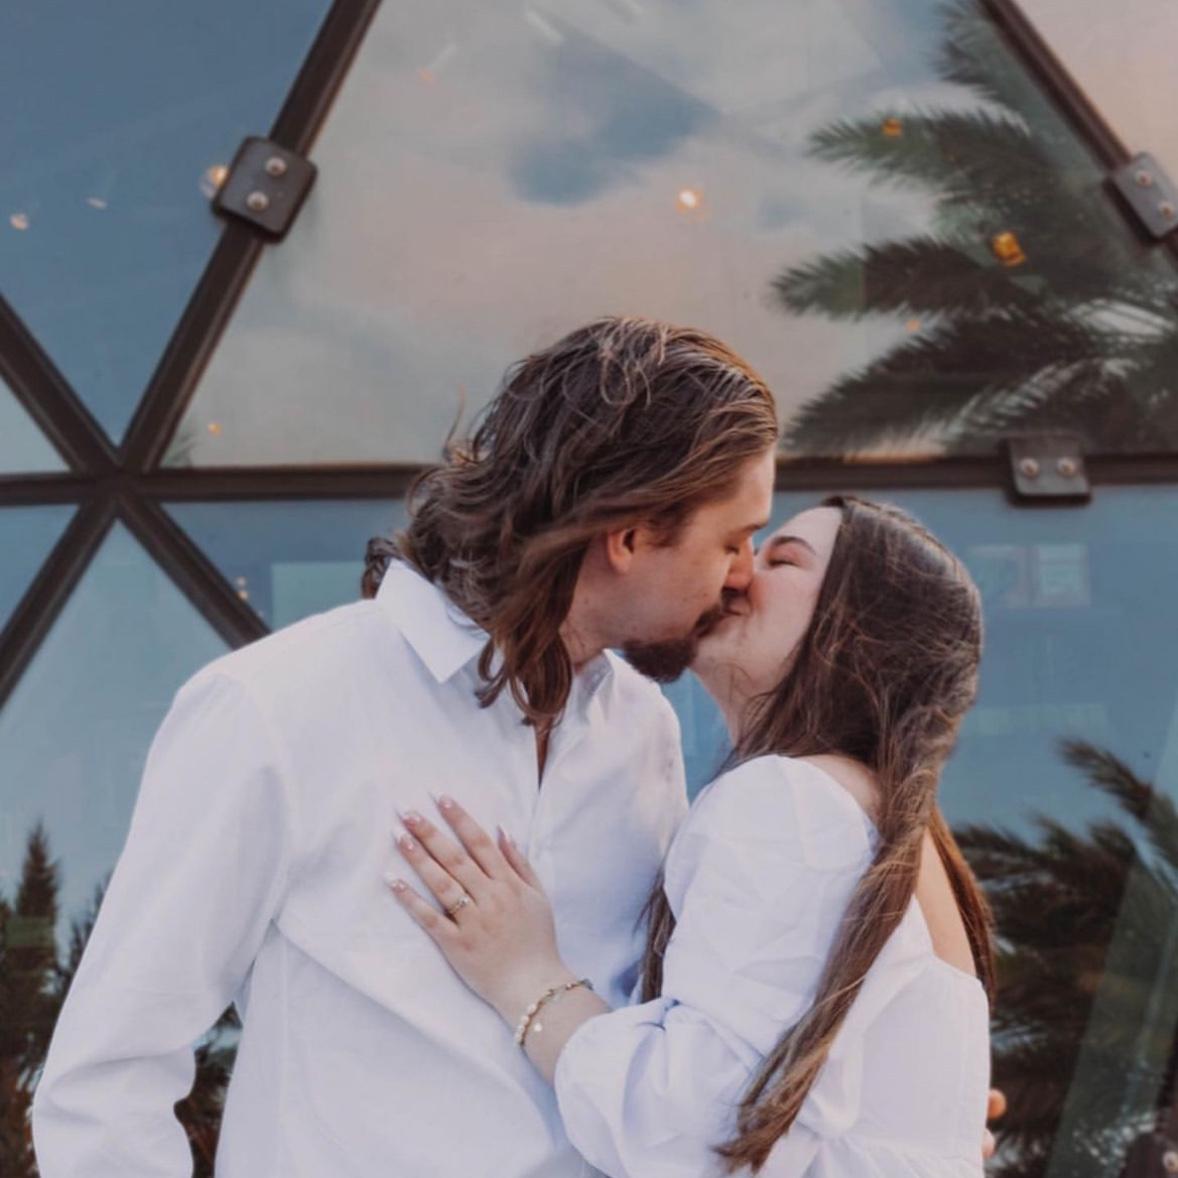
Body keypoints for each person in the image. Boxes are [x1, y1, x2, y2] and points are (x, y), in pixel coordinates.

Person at [31, 317, 781, 1175]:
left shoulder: (643, 729)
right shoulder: (274, 706)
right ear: (632, 535)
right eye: (733, 539)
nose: (745, 574)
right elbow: (106, 1080)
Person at [384, 496, 996, 1176]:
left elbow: (706, 1131)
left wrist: (526, 975)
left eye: (782, 560)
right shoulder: (894, 828)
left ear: (862, 630)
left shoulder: (795, 801)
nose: (738, 573)